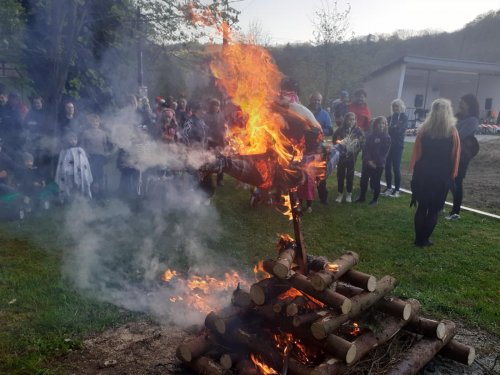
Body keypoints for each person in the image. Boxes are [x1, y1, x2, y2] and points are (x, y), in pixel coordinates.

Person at [409, 99, 460, 247]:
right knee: (433, 210)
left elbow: (417, 154)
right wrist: (452, 175)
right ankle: (425, 240)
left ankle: (418, 239)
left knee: (422, 207)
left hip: (423, 174)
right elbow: (455, 156)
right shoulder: (452, 132)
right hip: (441, 177)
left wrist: (414, 170)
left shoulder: (424, 130)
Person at [446, 94, 480, 221]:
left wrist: (449, 133)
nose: (460, 104)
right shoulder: (458, 116)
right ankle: (440, 206)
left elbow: (459, 135)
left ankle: (455, 211)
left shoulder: (473, 120)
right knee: (448, 180)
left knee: (457, 181)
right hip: (451, 152)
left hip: (462, 155)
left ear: (469, 104)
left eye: (462, 102)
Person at [355, 116, 391, 205]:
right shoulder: (370, 135)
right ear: (375, 124)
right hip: (367, 162)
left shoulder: (386, 137)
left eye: (383, 123)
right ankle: (362, 197)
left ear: (386, 125)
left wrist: (375, 162)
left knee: (375, 181)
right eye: (379, 123)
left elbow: (384, 152)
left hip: (378, 164)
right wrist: (368, 160)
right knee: (363, 180)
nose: (381, 125)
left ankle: (375, 199)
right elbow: (366, 149)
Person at [332, 112, 364, 203]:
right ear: (345, 120)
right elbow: (334, 140)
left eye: (353, 119)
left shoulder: (358, 130)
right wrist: (340, 145)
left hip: (352, 157)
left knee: (350, 175)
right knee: (340, 175)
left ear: (355, 121)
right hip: (341, 156)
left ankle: (349, 193)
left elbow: (362, 142)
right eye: (349, 119)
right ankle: (340, 193)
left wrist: (356, 146)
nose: (351, 121)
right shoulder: (340, 130)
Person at [79, 114, 111, 198]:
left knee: (99, 174)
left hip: (100, 156)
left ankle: (100, 192)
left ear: (99, 123)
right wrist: (85, 154)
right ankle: (91, 192)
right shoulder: (85, 133)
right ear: (90, 122)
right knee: (91, 174)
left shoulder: (103, 133)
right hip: (89, 157)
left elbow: (105, 146)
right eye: (93, 121)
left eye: (97, 121)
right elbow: (82, 145)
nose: (95, 123)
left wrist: (107, 154)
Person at [55, 132, 93, 201]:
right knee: (70, 185)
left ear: (77, 140)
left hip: (80, 173)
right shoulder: (64, 151)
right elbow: (62, 163)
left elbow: (84, 163)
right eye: (71, 140)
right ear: (68, 140)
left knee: (79, 185)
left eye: (75, 139)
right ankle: (70, 199)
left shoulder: (80, 150)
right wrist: (67, 170)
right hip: (69, 173)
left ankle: (81, 198)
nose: (73, 141)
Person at [383, 99, 408, 198]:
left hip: (398, 146)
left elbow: (399, 130)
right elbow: (385, 130)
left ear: (401, 107)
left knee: (396, 168)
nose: (395, 108)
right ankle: (389, 188)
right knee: (387, 167)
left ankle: (397, 190)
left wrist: (392, 128)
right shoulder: (389, 118)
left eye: (397, 106)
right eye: (393, 107)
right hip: (388, 146)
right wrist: (392, 128)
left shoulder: (404, 117)